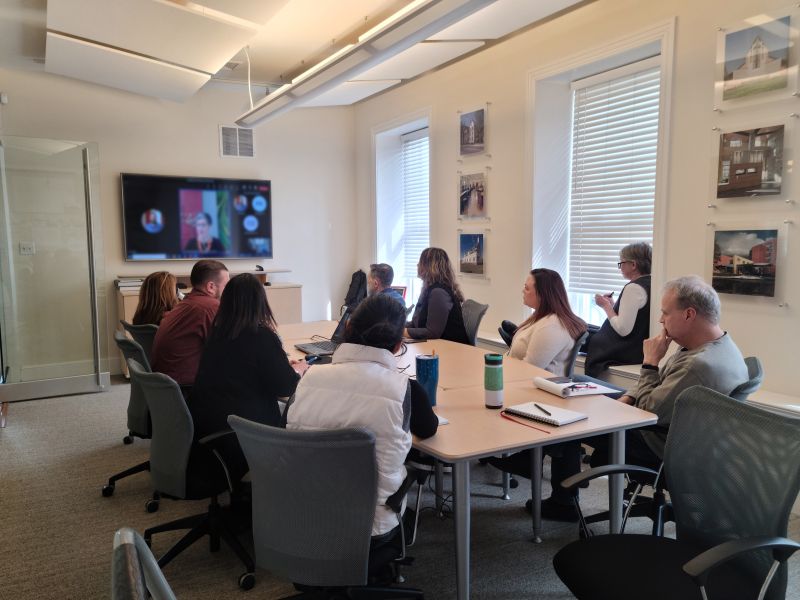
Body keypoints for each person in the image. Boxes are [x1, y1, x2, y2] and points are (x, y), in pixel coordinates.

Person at [544, 275, 750, 522]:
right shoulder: (713, 345)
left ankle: (561, 500)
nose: (661, 319)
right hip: (675, 429)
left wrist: (650, 362)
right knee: (577, 383)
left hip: (659, 442)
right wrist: (628, 397)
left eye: (665, 313)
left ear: (689, 314)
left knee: (573, 418)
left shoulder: (698, 365)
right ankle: (561, 466)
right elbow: (655, 388)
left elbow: (648, 410)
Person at [287, 293, 438, 541]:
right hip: (371, 526)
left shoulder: (308, 379)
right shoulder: (406, 390)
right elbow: (428, 429)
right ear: (399, 346)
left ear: (347, 328)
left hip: (307, 515)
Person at [189, 273, 308, 479]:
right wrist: (297, 370)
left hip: (210, 425)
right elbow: (286, 388)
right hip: (247, 432)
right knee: (299, 412)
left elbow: (241, 368)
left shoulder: (217, 332)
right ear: (259, 301)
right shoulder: (261, 336)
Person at [150, 259, 229, 389]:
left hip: (166, 389)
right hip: (186, 389)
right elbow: (226, 349)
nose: (228, 291)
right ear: (210, 287)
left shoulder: (185, 304)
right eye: (226, 286)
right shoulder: (209, 307)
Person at [584, 242, 652, 377]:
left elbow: (623, 329)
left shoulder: (633, 288)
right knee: (582, 327)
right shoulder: (650, 283)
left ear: (633, 265)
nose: (620, 267)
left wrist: (606, 306)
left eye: (621, 263)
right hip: (636, 348)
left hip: (624, 349)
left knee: (577, 329)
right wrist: (613, 305)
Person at [509, 268, 587, 375]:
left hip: (533, 387)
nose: (523, 291)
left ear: (542, 295)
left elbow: (529, 370)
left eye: (527, 288)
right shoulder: (540, 316)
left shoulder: (552, 326)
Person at [406, 247, 469, 344]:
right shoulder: (429, 289)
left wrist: (401, 332)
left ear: (428, 266)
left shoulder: (438, 292)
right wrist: (396, 327)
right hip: (437, 346)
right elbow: (417, 323)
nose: (417, 264)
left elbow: (432, 333)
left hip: (451, 349)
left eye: (420, 262)